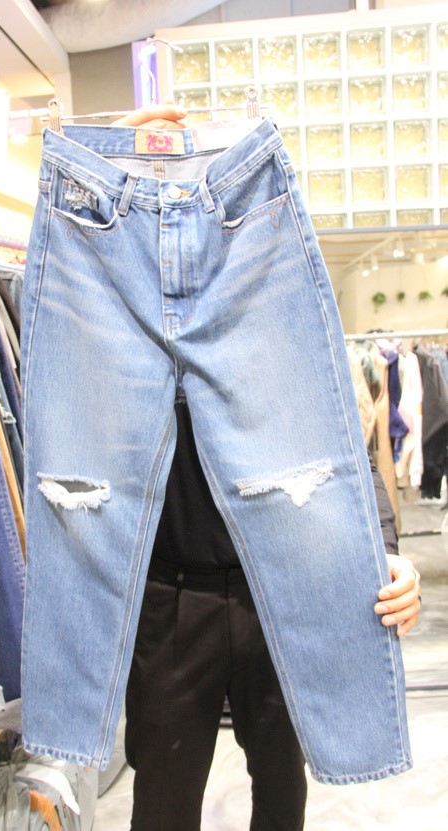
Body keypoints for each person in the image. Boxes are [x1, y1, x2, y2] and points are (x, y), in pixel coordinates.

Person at [113, 106, 422, 831]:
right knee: (162, 800)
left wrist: (386, 551)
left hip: (279, 586)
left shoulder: (282, 320)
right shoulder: (127, 316)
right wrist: (112, 166)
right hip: (169, 592)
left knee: (283, 789)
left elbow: (338, 450)